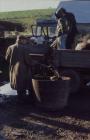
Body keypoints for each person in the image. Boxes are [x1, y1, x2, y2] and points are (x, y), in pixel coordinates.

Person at [5, 35, 33, 102]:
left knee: (17, 83)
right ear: (21, 40)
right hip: (23, 69)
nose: (26, 41)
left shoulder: (10, 47)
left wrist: (13, 62)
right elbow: (28, 60)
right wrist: (35, 63)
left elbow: (7, 58)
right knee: (23, 83)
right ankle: (23, 100)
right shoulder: (24, 48)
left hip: (13, 68)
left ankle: (19, 97)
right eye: (25, 40)